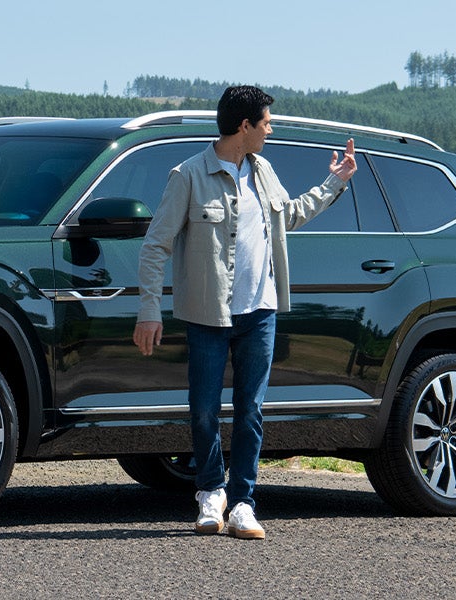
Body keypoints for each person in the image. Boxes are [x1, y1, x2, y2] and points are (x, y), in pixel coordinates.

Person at [132, 85, 356, 539]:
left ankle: (243, 504)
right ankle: (210, 492)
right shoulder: (188, 176)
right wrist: (149, 310)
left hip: (260, 312)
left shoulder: (264, 171)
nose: (270, 131)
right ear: (244, 125)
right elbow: (155, 245)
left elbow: (289, 215)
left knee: (250, 410)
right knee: (204, 410)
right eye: (266, 123)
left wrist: (335, 182)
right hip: (207, 314)